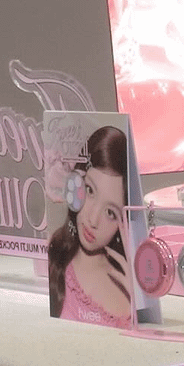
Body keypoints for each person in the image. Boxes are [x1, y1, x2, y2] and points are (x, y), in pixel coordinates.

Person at [47, 124, 131, 324]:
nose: (93, 220)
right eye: (90, 190)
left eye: (110, 213)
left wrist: (139, 305)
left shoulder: (127, 288)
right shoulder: (52, 254)